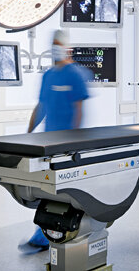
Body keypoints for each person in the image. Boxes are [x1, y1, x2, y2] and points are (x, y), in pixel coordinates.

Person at [18, 29, 92, 252]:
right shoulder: (48, 75)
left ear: (67, 48)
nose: (56, 48)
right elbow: (41, 106)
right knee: (47, 189)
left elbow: (79, 109)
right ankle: (45, 234)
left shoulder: (76, 74)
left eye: (59, 44)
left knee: (65, 192)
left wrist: (74, 141)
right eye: (53, 44)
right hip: (47, 143)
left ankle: (56, 234)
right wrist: (28, 133)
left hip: (67, 143)